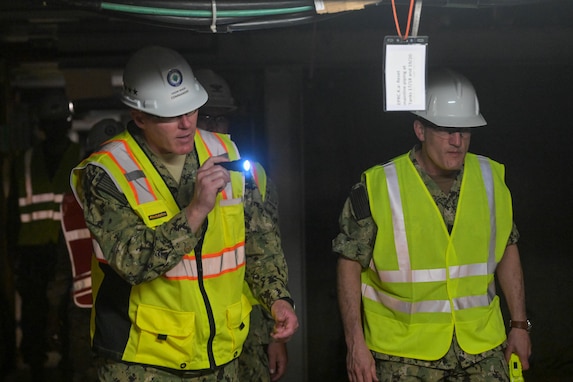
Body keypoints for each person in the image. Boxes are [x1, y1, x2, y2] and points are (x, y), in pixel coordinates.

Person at [70, 45, 298, 381]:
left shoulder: (225, 152)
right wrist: (195, 210)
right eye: (170, 115)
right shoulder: (105, 173)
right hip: (142, 361)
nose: (186, 123)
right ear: (139, 117)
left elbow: (260, 240)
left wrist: (277, 299)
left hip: (219, 353)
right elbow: (133, 263)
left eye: (191, 109)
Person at [333, 68, 532, 382]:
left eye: (465, 130)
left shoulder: (491, 178)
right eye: (446, 130)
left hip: (482, 349)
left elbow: (507, 247)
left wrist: (519, 325)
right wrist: (355, 343)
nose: (457, 141)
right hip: (405, 358)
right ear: (420, 130)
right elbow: (348, 265)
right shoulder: (378, 186)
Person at [195, 69, 289, 381]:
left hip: (245, 326)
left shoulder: (251, 174)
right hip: (186, 333)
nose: (213, 128)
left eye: (221, 119)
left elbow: (265, 253)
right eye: (205, 117)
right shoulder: (165, 177)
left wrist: (272, 336)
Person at [9, 89, 81, 380]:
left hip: (69, 252)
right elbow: (12, 213)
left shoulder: (83, 158)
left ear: (67, 124)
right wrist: (12, 254)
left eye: (58, 123)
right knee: (34, 315)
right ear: (41, 126)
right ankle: (37, 366)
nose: (54, 129)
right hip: (34, 252)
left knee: (69, 313)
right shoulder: (24, 162)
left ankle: (68, 366)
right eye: (50, 124)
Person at [57, 118, 126, 382]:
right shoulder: (70, 207)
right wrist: (54, 309)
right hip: (86, 308)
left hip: (130, 310)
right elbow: (63, 264)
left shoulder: (146, 198)